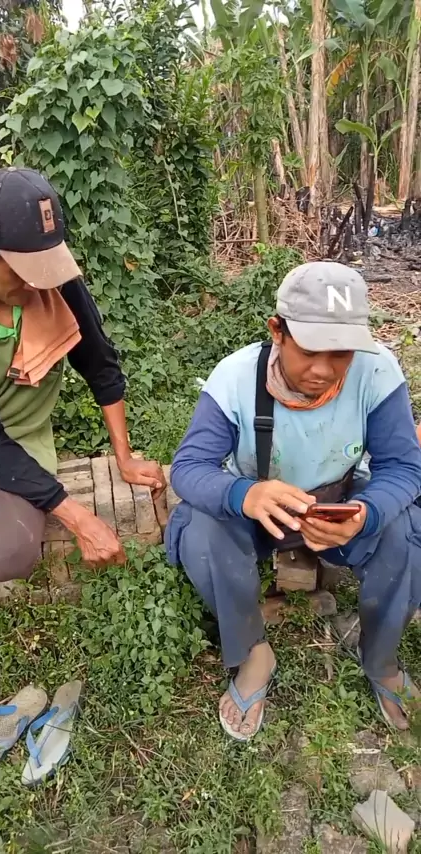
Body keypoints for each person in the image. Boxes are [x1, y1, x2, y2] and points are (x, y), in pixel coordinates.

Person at [0, 167, 165, 733]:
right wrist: (80, 518)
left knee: (13, 550)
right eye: (23, 273)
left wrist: (124, 455)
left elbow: (100, 362)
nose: (39, 286)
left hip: (17, 447)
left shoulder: (51, 280)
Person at [165, 261, 421, 739]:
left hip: (338, 505)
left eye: (340, 353)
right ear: (277, 331)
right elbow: (188, 468)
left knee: (408, 529)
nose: (323, 370)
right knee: (199, 528)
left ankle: (381, 659)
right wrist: (244, 494)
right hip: (259, 512)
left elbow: (404, 468)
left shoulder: (377, 370)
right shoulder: (236, 376)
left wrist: (365, 515)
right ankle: (253, 653)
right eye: (308, 350)